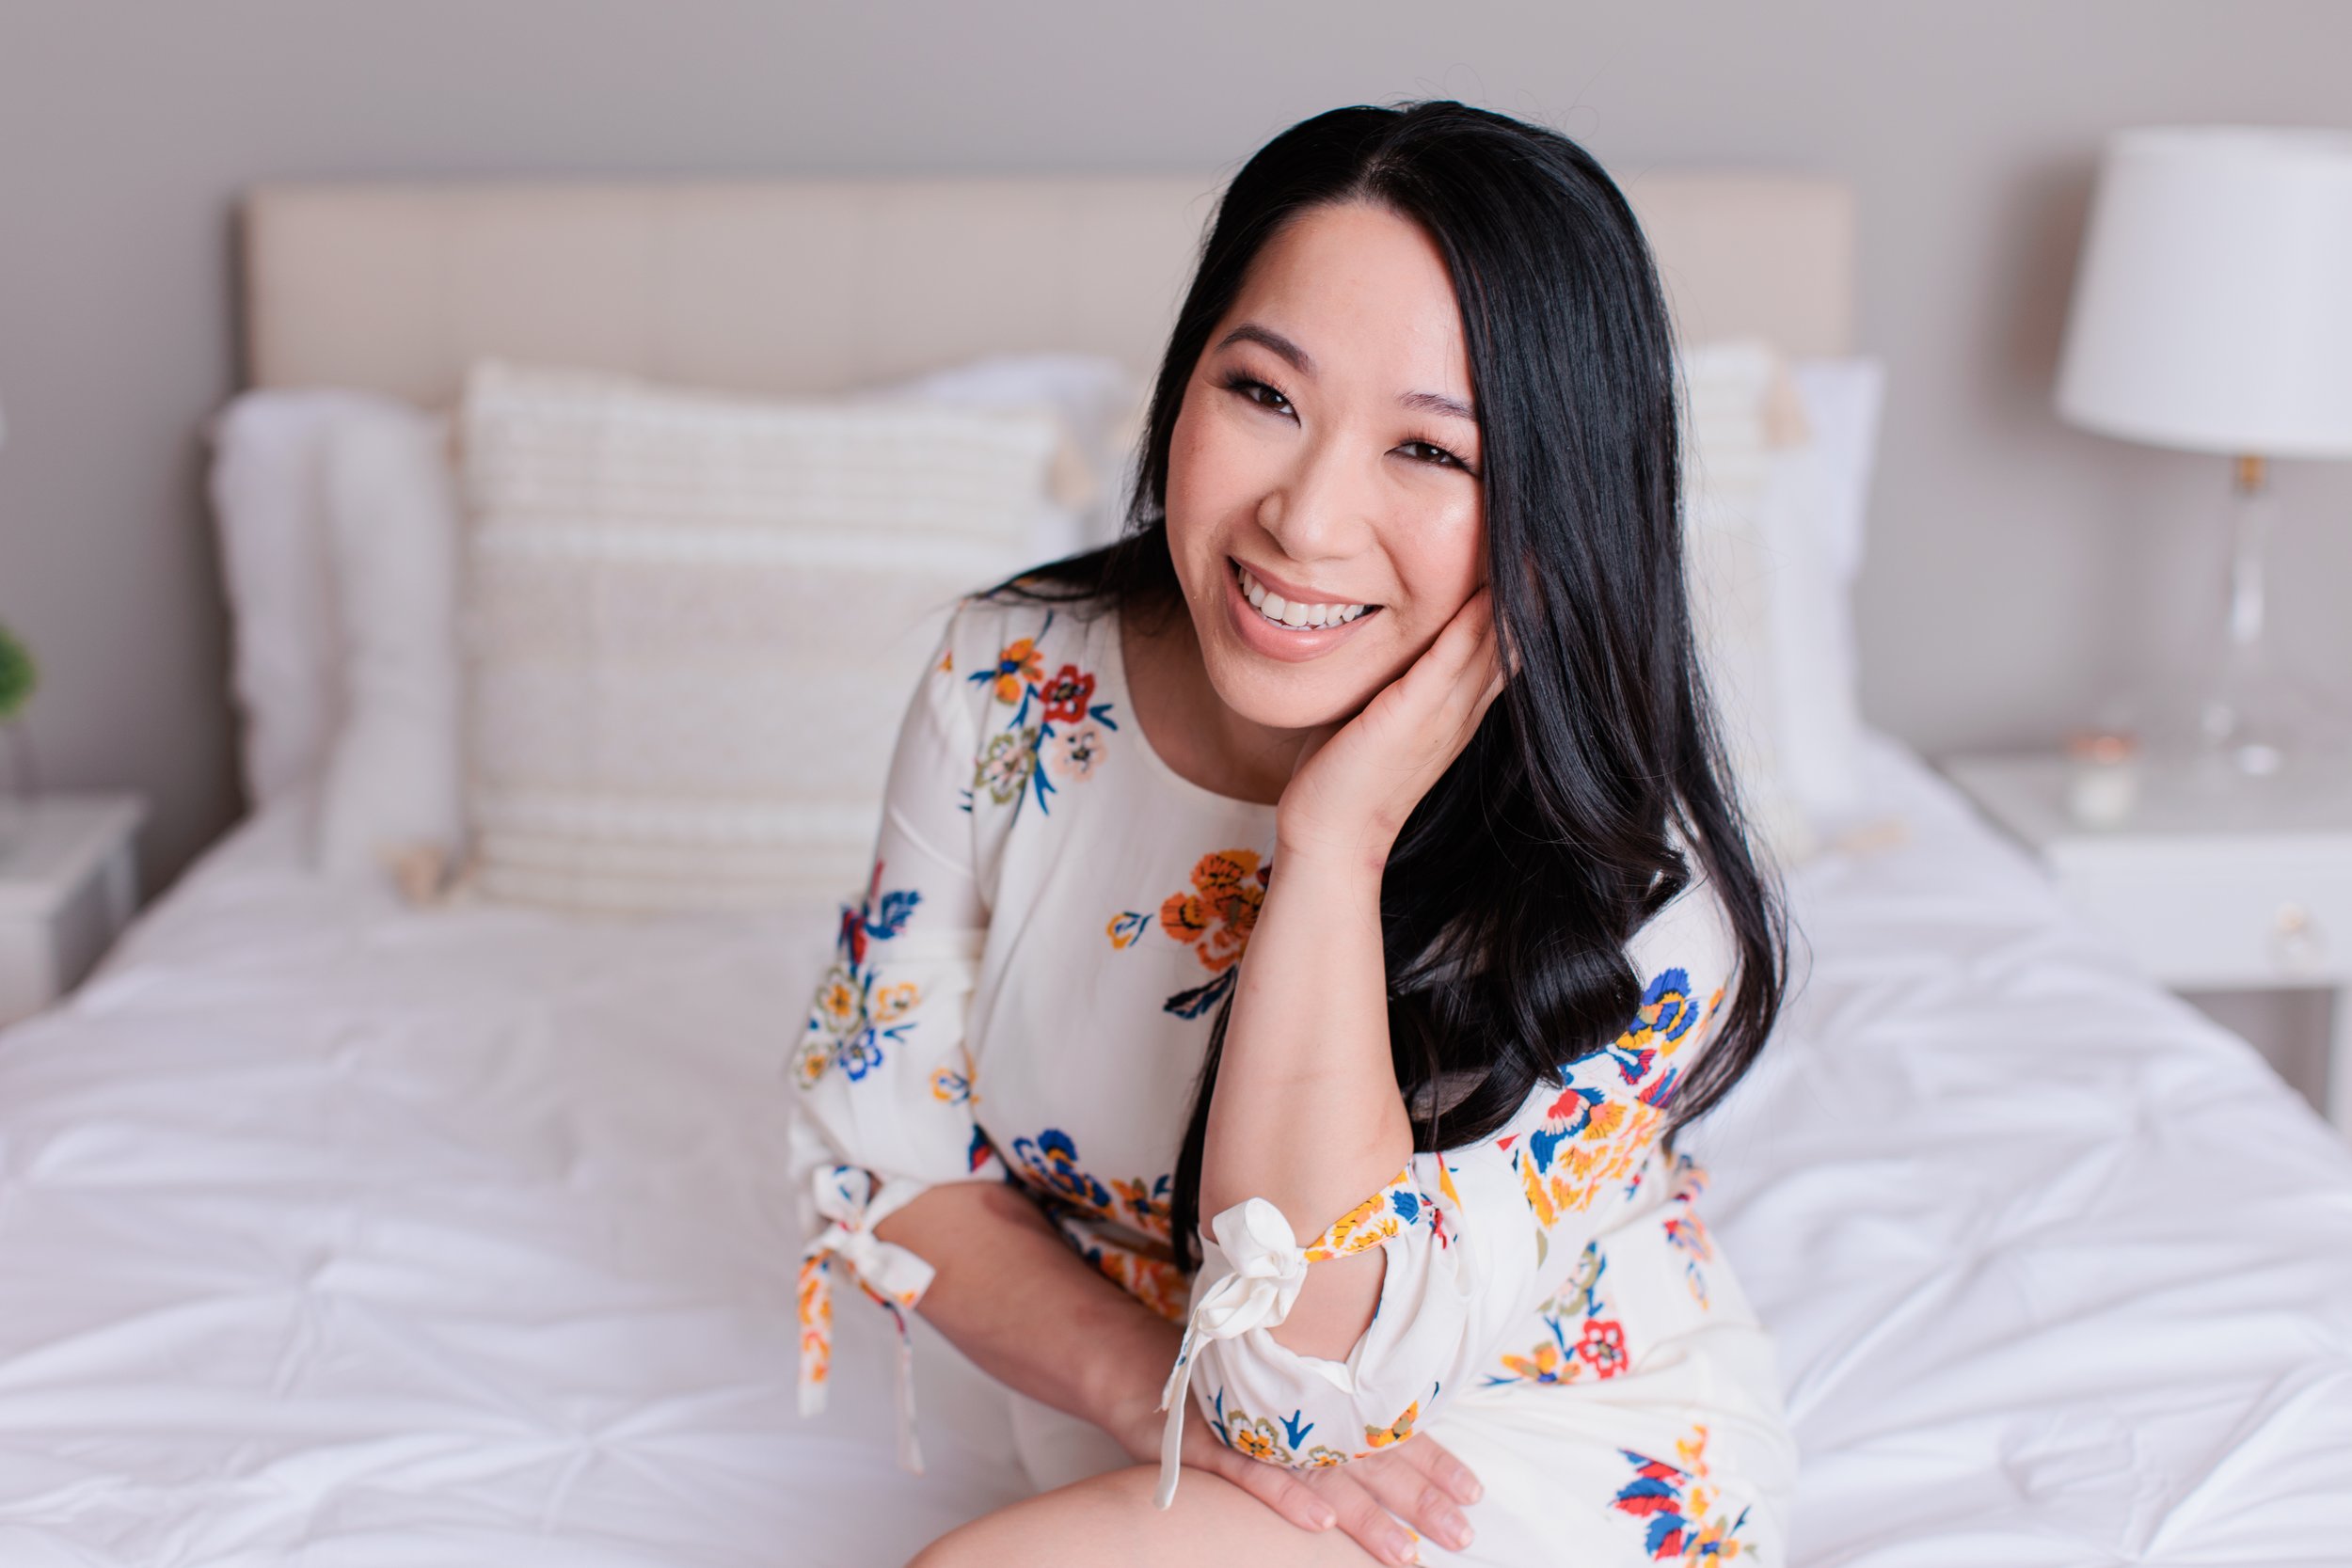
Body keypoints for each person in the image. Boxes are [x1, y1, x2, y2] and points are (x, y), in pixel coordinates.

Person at [792, 100, 1796, 1567]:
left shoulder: (1639, 901)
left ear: (1552, 516)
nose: (1307, 520)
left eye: (1431, 454)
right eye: (1266, 396)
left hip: (1517, 1451)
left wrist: (1335, 846)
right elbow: (879, 1164)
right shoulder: (1015, 685)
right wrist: (1144, 1399)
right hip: (1167, 1438)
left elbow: (1311, 1406)